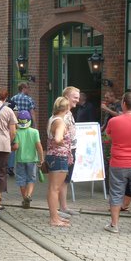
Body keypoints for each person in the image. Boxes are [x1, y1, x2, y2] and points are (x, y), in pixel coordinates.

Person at [105, 91, 131, 233]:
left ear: (124, 104)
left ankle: (114, 225)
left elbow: (108, 138)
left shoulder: (114, 121)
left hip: (118, 163)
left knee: (116, 193)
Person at [45, 97, 74, 227]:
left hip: (52, 156)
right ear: (66, 108)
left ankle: (55, 217)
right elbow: (57, 139)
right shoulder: (61, 122)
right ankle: (54, 219)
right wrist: (63, 143)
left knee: (52, 188)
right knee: (55, 189)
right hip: (59, 157)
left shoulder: (52, 119)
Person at [14, 110, 44, 209]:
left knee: (21, 180)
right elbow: (39, 146)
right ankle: (28, 195)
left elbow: (16, 146)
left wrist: (9, 149)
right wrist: (41, 158)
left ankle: (24, 199)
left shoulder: (17, 132)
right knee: (31, 179)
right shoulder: (35, 132)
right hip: (32, 160)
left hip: (20, 160)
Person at [8, 82, 37, 176]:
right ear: (23, 88)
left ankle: (10, 166)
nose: (29, 90)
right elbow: (32, 113)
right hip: (26, 125)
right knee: (25, 143)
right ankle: (25, 163)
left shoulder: (13, 98)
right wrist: (34, 125)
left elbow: (9, 112)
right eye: (28, 88)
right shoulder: (29, 99)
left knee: (14, 144)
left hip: (15, 125)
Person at [60, 86, 80, 217]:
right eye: (75, 97)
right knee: (60, 180)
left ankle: (64, 207)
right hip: (65, 152)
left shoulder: (70, 113)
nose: (77, 100)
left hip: (71, 150)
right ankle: (58, 210)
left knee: (66, 180)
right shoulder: (63, 115)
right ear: (67, 97)